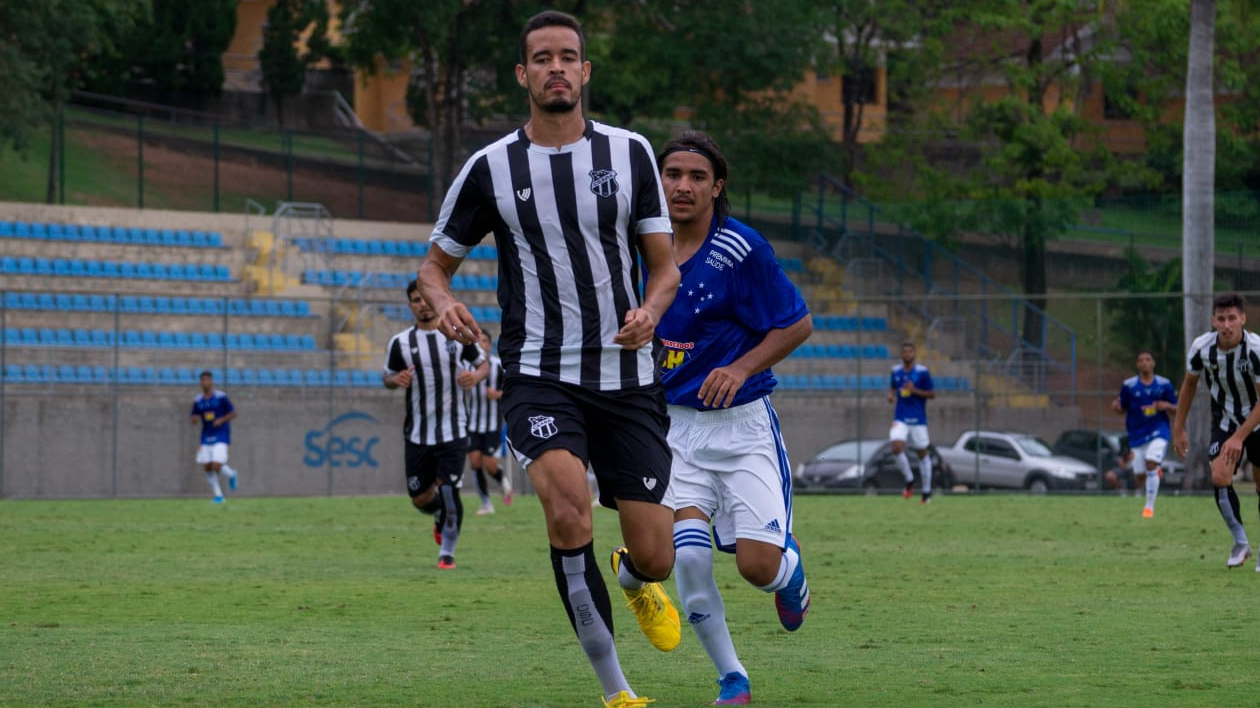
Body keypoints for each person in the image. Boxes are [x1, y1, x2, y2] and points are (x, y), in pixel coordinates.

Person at [416, 11, 682, 708]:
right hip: (538, 372)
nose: (556, 67)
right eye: (542, 58)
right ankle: (617, 691)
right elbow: (434, 268)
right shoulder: (491, 168)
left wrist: (650, 312)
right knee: (567, 511)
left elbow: (664, 268)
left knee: (656, 553)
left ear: (585, 71)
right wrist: (443, 304)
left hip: (627, 378)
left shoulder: (630, 154)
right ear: (523, 74)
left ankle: (632, 577)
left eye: (568, 56)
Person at [654, 130, 813, 706]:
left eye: (697, 177)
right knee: (690, 558)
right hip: (676, 431)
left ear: (717, 187)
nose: (683, 186)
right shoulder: (641, 247)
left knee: (755, 567)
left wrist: (742, 367)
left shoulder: (742, 248)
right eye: (673, 174)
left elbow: (797, 324)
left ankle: (788, 572)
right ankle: (733, 679)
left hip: (743, 427)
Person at [383, 279, 488, 570]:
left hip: (454, 430)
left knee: (448, 489)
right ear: (410, 305)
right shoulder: (401, 343)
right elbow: (387, 377)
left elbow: (483, 364)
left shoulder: (454, 336)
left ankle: (447, 555)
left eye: (426, 300)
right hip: (417, 434)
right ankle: (439, 513)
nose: (423, 305)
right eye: (416, 300)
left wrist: (476, 377)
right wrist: (396, 380)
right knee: (420, 498)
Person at [1171, 292, 1260, 569]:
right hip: (1224, 420)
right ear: (1213, 321)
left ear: (1243, 319)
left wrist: (1239, 438)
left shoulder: (1256, 349)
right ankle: (1241, 542)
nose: (1226, 325)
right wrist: (1178, 427)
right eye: (1221, 319)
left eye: (1232, 318)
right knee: (1220, 476)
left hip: (1257, 420)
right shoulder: (1201, 348)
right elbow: (1188, 385)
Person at [1110, 349, 1178, 518]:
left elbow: (1177, 408)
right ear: (1137, 364)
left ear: (1153, 363)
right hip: (1137, 435)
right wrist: (1116, 408)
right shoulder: (1129, 386)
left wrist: (1166, 406)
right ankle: (1156, 469)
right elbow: (1122, 408)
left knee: (1150, 463)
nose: (1144, 362)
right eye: (1141, 360)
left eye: (1148, 359)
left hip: (1159, 431)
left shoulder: (1164, 384)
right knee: (1140, 477)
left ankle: (1149, 508)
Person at [465, 330, 513, 515]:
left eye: (484, 340)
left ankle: (503, 480)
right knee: (475, 461)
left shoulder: (498, 366)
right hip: (472, 424)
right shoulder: (466, 365)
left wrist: (497, 395)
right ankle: (486, 503)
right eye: (477, 341)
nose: (480, 344)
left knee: (489, 464)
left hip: (492, 424)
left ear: (490, 345)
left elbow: (511, 391)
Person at [888, 341, 936, 503]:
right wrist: (891, 394)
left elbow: (932, 394)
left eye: (910, 351)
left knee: (922, 453)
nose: (907, 354)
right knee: (896, 447)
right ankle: (909, 480)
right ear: (901, 354)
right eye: (904, 351)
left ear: (914, 354)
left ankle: (926, 492)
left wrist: (914, 390)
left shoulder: (922, 372)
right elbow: (893, 387)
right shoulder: (895, 371)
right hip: (901, 417)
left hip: (918, 419)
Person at [189, 370, 239, 504]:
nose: (205, 382)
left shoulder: (221, 397)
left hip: (221, 434)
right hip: (206, 436)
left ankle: (231, 474)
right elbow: (193, 416)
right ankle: (218, 496)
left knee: (216, 465)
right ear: (200, 382)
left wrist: (221, 420)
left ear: (211, 382)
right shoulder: (198, 400)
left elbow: (233, 413)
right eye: (203, 380)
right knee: (207, 466)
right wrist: (194, 419)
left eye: (207, 380)